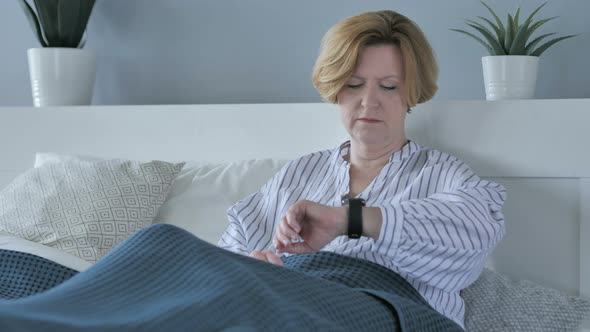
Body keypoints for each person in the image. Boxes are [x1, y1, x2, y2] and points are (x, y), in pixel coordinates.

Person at [218, 9, 506, 330]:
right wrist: (248, 268)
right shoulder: (301, 172)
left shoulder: (442, 175)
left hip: (385, 315)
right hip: (286, 309)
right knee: (161, 240)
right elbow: (230, 250)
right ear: (336, 88)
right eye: (354, 84)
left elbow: (476, 238)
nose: (369, 102)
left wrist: (349, 219)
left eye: (389, 86)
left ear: (411, 93)